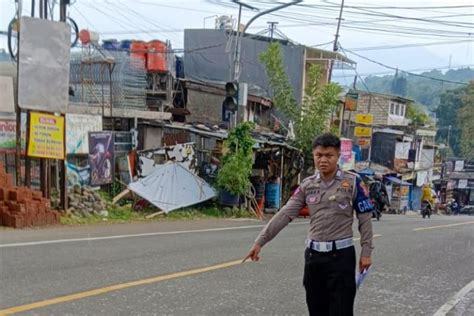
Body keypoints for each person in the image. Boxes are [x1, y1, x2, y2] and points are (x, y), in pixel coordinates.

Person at [243, 133, 374, 316]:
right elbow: (285, 214)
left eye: (328, 155)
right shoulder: (307, 185)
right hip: (314, 258)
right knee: (316, 310)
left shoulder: (352, 182)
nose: (323, 160)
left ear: (338, 156)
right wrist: (259, 241)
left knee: (341, 311)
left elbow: (365, 218)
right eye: (318, 155)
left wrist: (366, 253)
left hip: (341, 257)